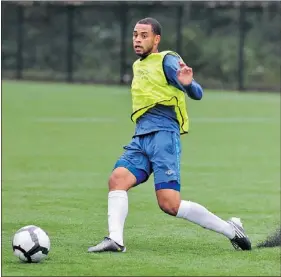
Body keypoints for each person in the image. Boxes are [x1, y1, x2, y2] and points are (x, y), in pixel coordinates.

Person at [88, 17, 251, 253]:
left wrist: (188, 84)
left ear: (156, 39)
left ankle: (232, 231)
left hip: (164, 136)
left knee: (169, 204)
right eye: (135, 35)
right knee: (117, 180)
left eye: (144, 35)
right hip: (141, 137)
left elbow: (197, 92)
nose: (138, 39)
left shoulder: (167, 60)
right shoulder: (138, 65)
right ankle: (116, 240)